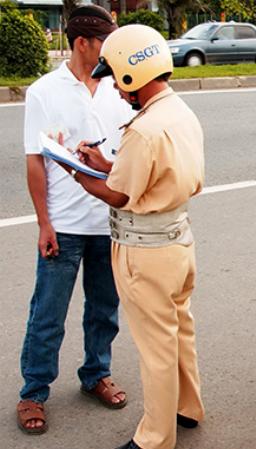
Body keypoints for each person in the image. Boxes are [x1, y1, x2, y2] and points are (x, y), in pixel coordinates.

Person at [57, 24, 205, 449]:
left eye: (118, 81)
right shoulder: (178, 113)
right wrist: (104, 163)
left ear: (131, 76)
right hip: (178, 241)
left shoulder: (143, 129)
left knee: (155, 349)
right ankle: (187, 409)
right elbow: (146, 173)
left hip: (146, 253)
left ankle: (155, 437)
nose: (118, 92)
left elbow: (120, 193)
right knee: (180, 332)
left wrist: (77, 172)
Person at [16, 4, 132, 436]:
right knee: (48, 313)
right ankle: (33, 391)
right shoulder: (45, 90)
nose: (112, 52)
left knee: (105, 310)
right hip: (64, 224)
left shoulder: (120, 89)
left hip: (109, 220)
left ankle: (95, 374)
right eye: (106, 43)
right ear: (82, 42)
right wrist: (44, 223)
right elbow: (34, 161)